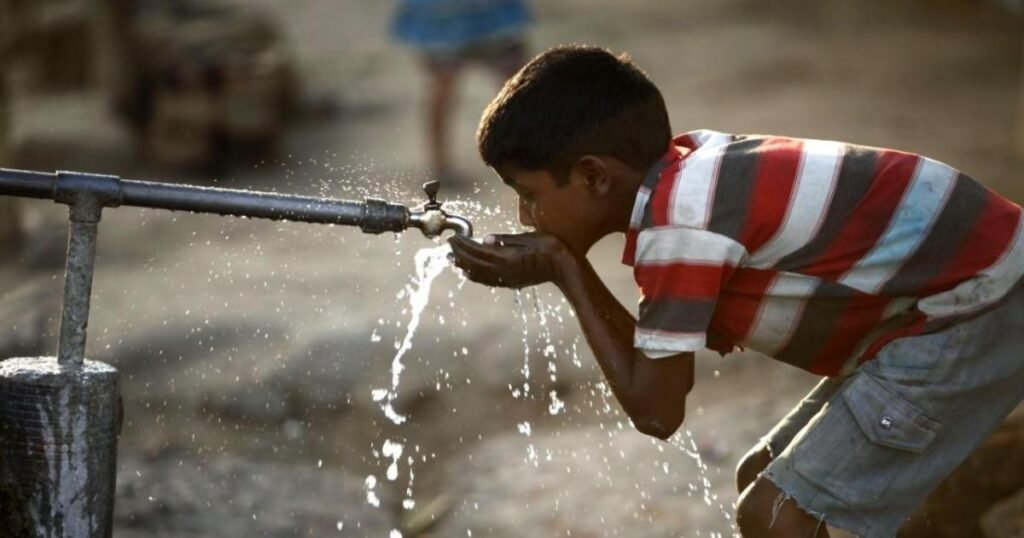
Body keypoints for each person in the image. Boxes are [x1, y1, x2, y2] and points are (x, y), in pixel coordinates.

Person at [448, 44, 1024, 538]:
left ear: (595, 176)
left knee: (777, 517)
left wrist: (566, 270)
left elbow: (656, 409)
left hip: (977, 303)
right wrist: (564, 263)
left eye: (527, 193)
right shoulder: (686, 173)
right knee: (763, 478)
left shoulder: (681, 225)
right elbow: (654, 366)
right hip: (959, 292)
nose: (524, 213)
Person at [390, 0, 531, 188]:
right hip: (480, 11)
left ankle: (440, 165)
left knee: (443, 83)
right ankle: (527, 156)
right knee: (518, 82)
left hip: (441, 13)